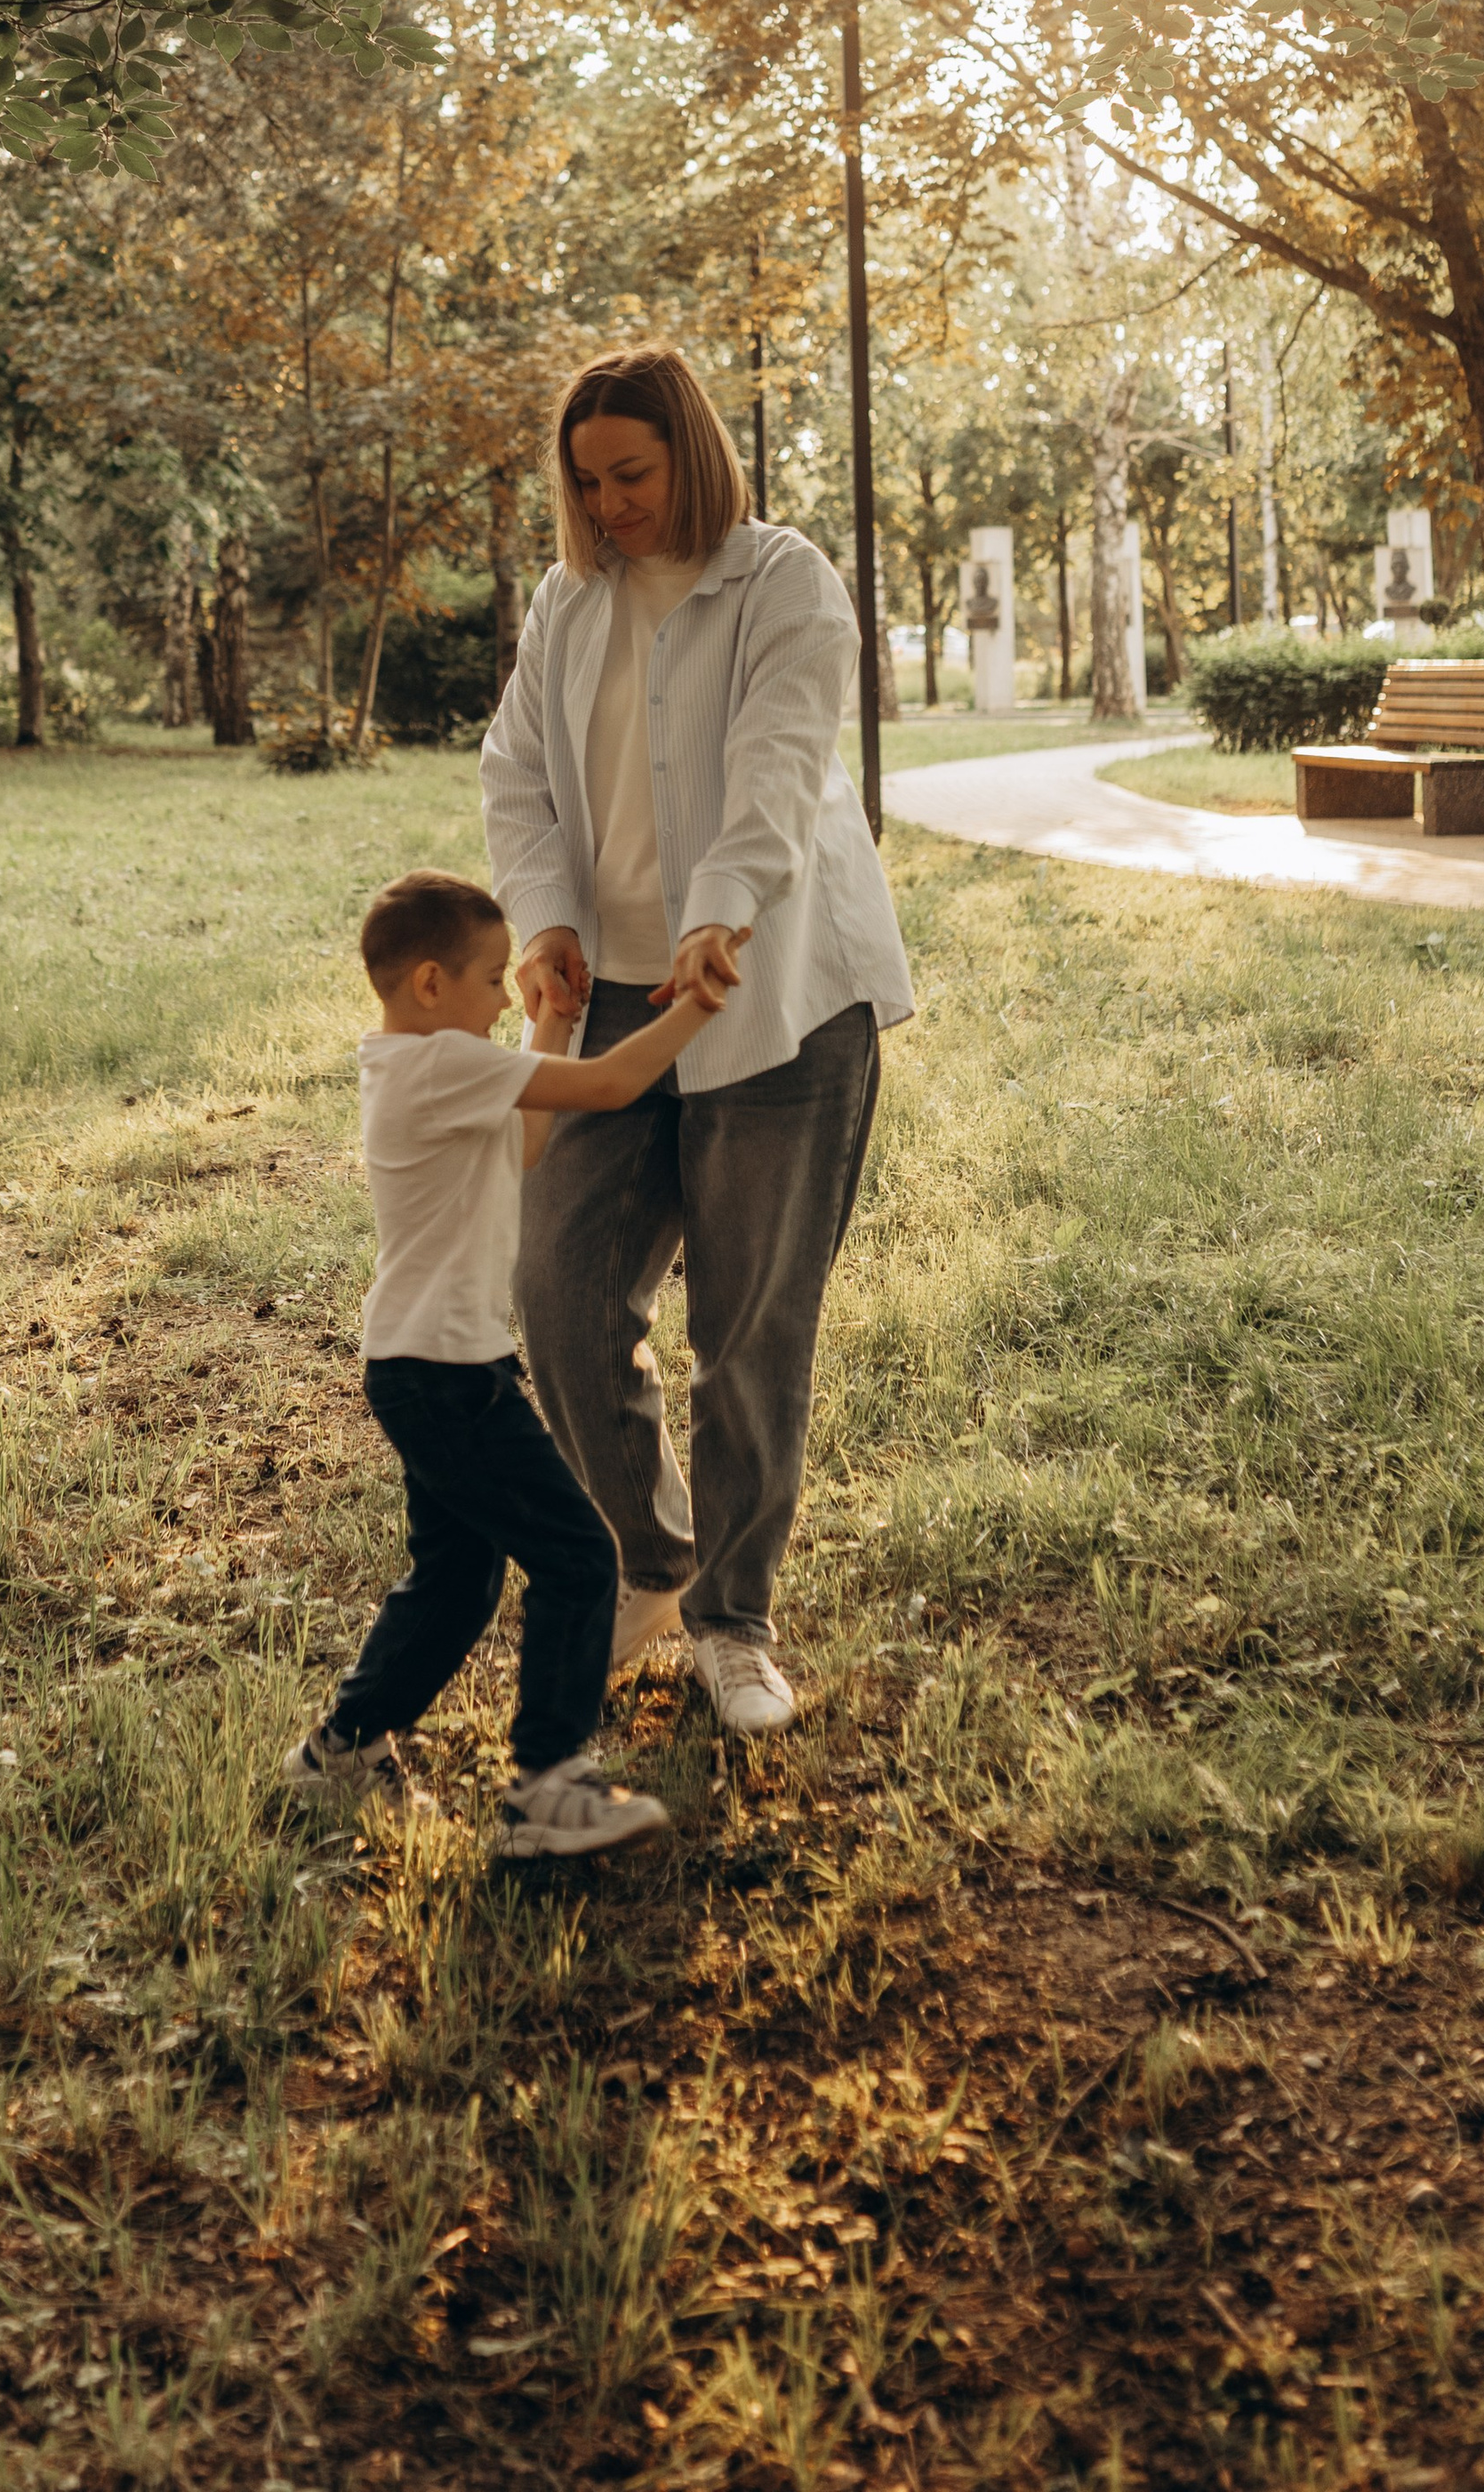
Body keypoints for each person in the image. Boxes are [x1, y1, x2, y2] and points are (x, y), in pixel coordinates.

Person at [480, 343, 913, 1740]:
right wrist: (543, 917)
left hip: (776, 996)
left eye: (632, 476)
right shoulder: (567, 601)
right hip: (608, 1003)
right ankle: (650, 1564)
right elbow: (518, 776)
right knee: (557, 1290)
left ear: (693, 455)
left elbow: (780, 767)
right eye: (587, 482)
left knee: (750, 1329)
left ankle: (734, 1618)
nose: (608, 506)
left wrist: (718, 912)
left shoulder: (784, 583)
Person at [280, 867, 729, 1859]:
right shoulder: (443, 1065)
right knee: (577, 1557)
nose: (504, 996)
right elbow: (613, 1088)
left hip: (425, 1362)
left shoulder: (418, 1066)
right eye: (494, 979)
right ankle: (549, 1787)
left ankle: (343, 1749)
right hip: (447, 1373)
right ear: (431, 983)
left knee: (457, 1579)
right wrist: (698, 1000)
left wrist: (552, 1023)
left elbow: (527, 1145)